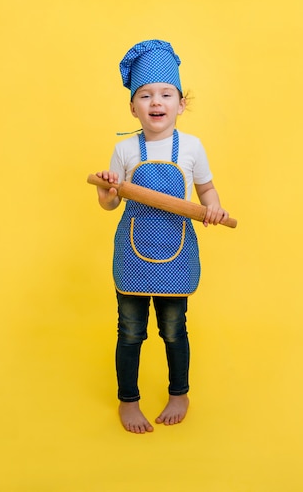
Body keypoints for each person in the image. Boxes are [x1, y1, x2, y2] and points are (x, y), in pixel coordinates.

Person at [95, 39, 229, 434]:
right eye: (146, 95)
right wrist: (105, 191)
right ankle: (129, 400)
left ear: (180, 104)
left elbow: (205, 190)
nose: (157, 102)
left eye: (166, 94)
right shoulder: (124, 150)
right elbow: (111, 204)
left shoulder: (192, 147)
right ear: (133, 106)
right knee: (130, 331)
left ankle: (179, 393)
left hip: (177, 252)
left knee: (174, 330)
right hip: (133, 256)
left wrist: (215, 207)